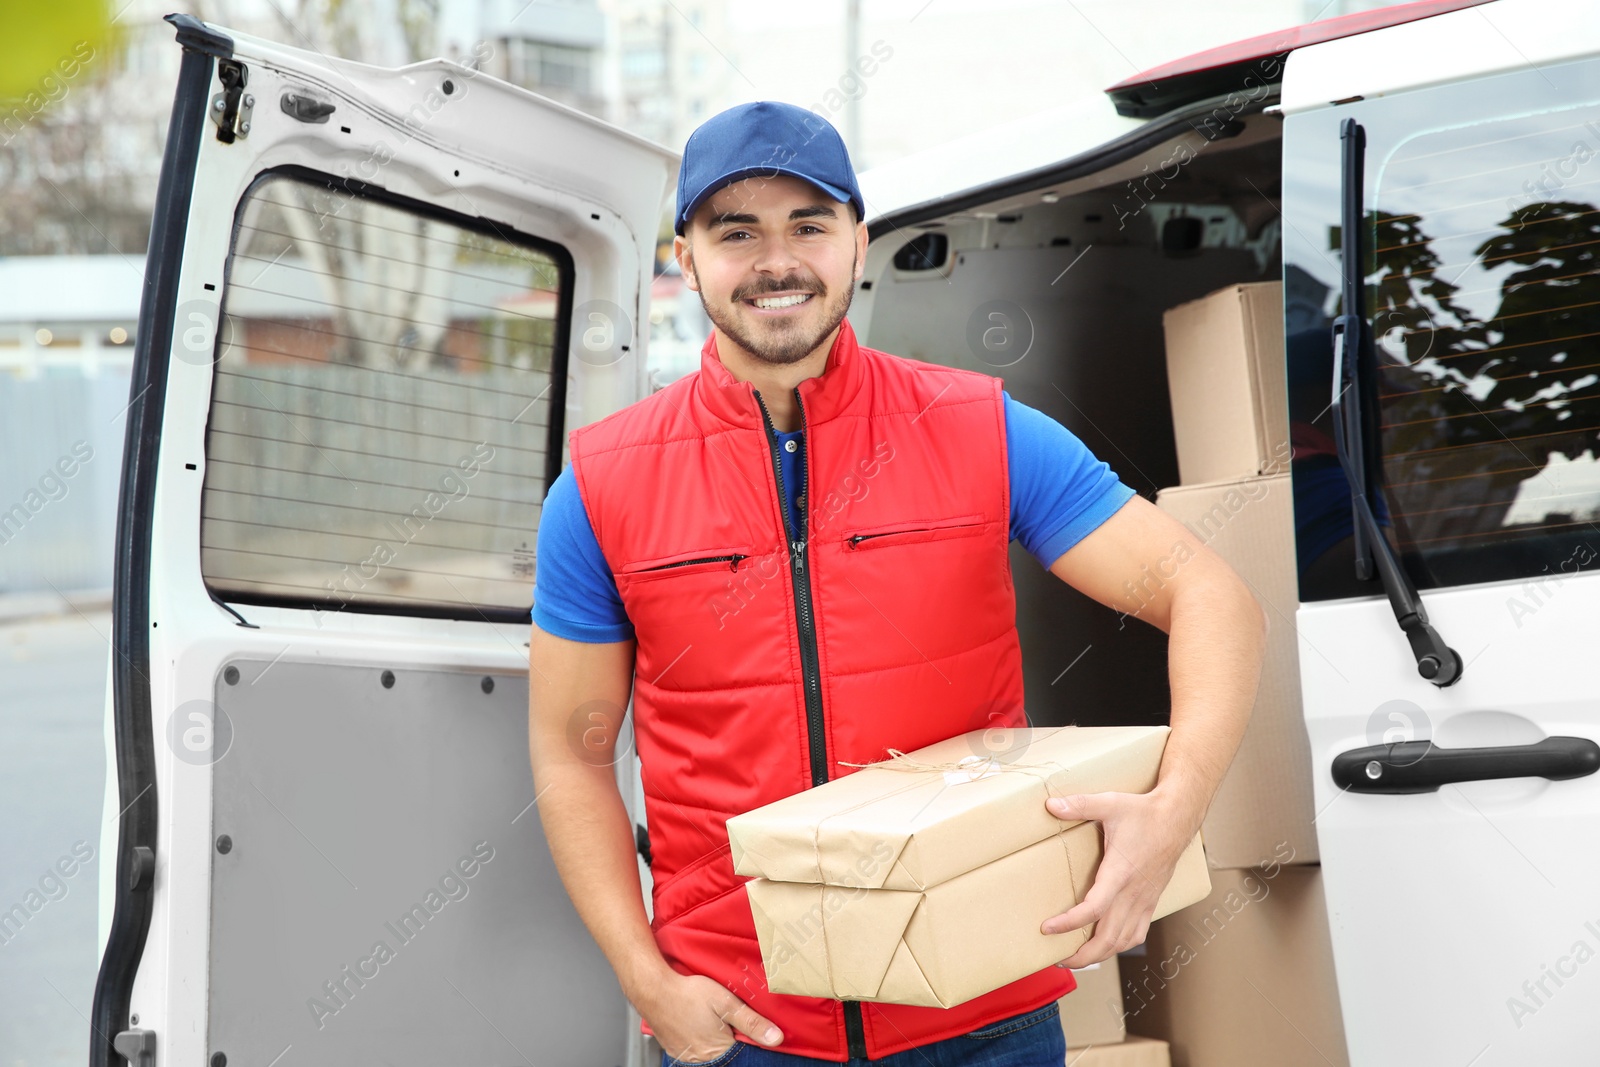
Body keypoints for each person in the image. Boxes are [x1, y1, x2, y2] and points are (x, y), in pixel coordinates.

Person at [527, 101, 1266, 1066]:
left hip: (981, 1013)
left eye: (809, 225)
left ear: (858, 241)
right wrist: (645, 978)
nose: (776, 261)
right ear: (685, 256)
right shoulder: (603, 482)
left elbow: (1213, 599)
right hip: (746, 1024)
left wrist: (1173, 813)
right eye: (736, 231)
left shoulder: (979, 430)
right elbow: (571, 754)